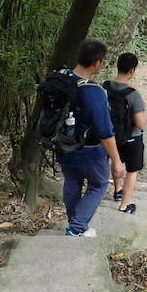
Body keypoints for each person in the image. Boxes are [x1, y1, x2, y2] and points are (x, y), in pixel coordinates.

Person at [57, 38, 125, 237]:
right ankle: (77, 227)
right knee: (98, 184)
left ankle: (74, 222)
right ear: (98, 62)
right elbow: (105, 132)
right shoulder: (94, 91)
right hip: (88, 150)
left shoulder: (61, 78)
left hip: (62, 144)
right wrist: (117, 161)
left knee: (72, 181)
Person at [105, 52, 147, 214]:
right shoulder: (133, 94)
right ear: (132, 70)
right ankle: (124, 205)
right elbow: (140, 124)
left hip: (108, 136)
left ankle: (117, 190)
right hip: (131, 138)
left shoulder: (104, 87)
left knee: (116, 160)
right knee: (132, 170)